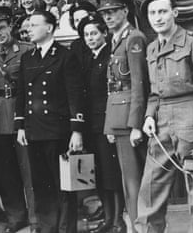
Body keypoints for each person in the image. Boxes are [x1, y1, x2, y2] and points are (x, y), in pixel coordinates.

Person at [135, 0, 193, 233]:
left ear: (174, 13)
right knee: (150, 189)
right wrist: (148, 117)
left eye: (163, 11)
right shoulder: (152, 49)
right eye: (153, 13)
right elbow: (155, 92)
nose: (158, 17)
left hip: (192, 124)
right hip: (161, 125)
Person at [15, 10, 85, 233]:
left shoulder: (65, 55)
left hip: (58, 130)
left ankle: (65, 229)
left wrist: (77, 130)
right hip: (34, 130)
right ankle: (47, 228)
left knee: (63, 185)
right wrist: (20, 126)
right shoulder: (27, 58)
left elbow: (75, 94)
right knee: (41, 185)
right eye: (29, 25)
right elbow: (21, 95)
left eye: (35, 25)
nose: (29, 29)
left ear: (50, 28)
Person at [0, 7, 36, 233]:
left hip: (23, 114)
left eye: (2, 27)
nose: (0, 33)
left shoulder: (26, 50)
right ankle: (16, 216)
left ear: (10, 27)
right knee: (7, 171)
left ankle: (35, 217)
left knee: (29, 169)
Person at [97, 0, 148, 233]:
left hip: (129, 119)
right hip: (118, 118)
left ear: (125, 11)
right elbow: (113, 86)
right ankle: (136, 225)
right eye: (104, 13)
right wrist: (109, 125)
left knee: (133, 181)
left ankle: (140, 227)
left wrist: (136, 124)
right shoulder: (116, 38)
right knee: (127, 180)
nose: (107, 17)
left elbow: (138, 84)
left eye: (112, 11)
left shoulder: (134, 38)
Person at [77, 14, 126, 233]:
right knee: (101, 173)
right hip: (92, 126)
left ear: (104, 33)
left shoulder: (110, 55)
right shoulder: (87, 58)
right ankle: (108, 217)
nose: (90, 38)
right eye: (86, 34)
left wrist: (112, 124)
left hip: (108, 123)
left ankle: (117, 220)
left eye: (94, 33)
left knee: (112, 173)